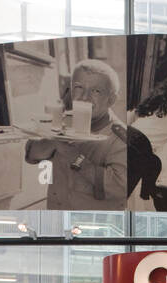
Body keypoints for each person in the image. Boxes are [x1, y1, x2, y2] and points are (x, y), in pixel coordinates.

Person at [24, 59, 127, 210]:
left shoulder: (120, 138)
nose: (84, 97)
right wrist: (55, 138)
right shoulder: (64, 122)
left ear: (111, 99)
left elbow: (119, 189)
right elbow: (31, 155)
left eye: (96, 91)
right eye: (79, 88)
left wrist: (74, 157)